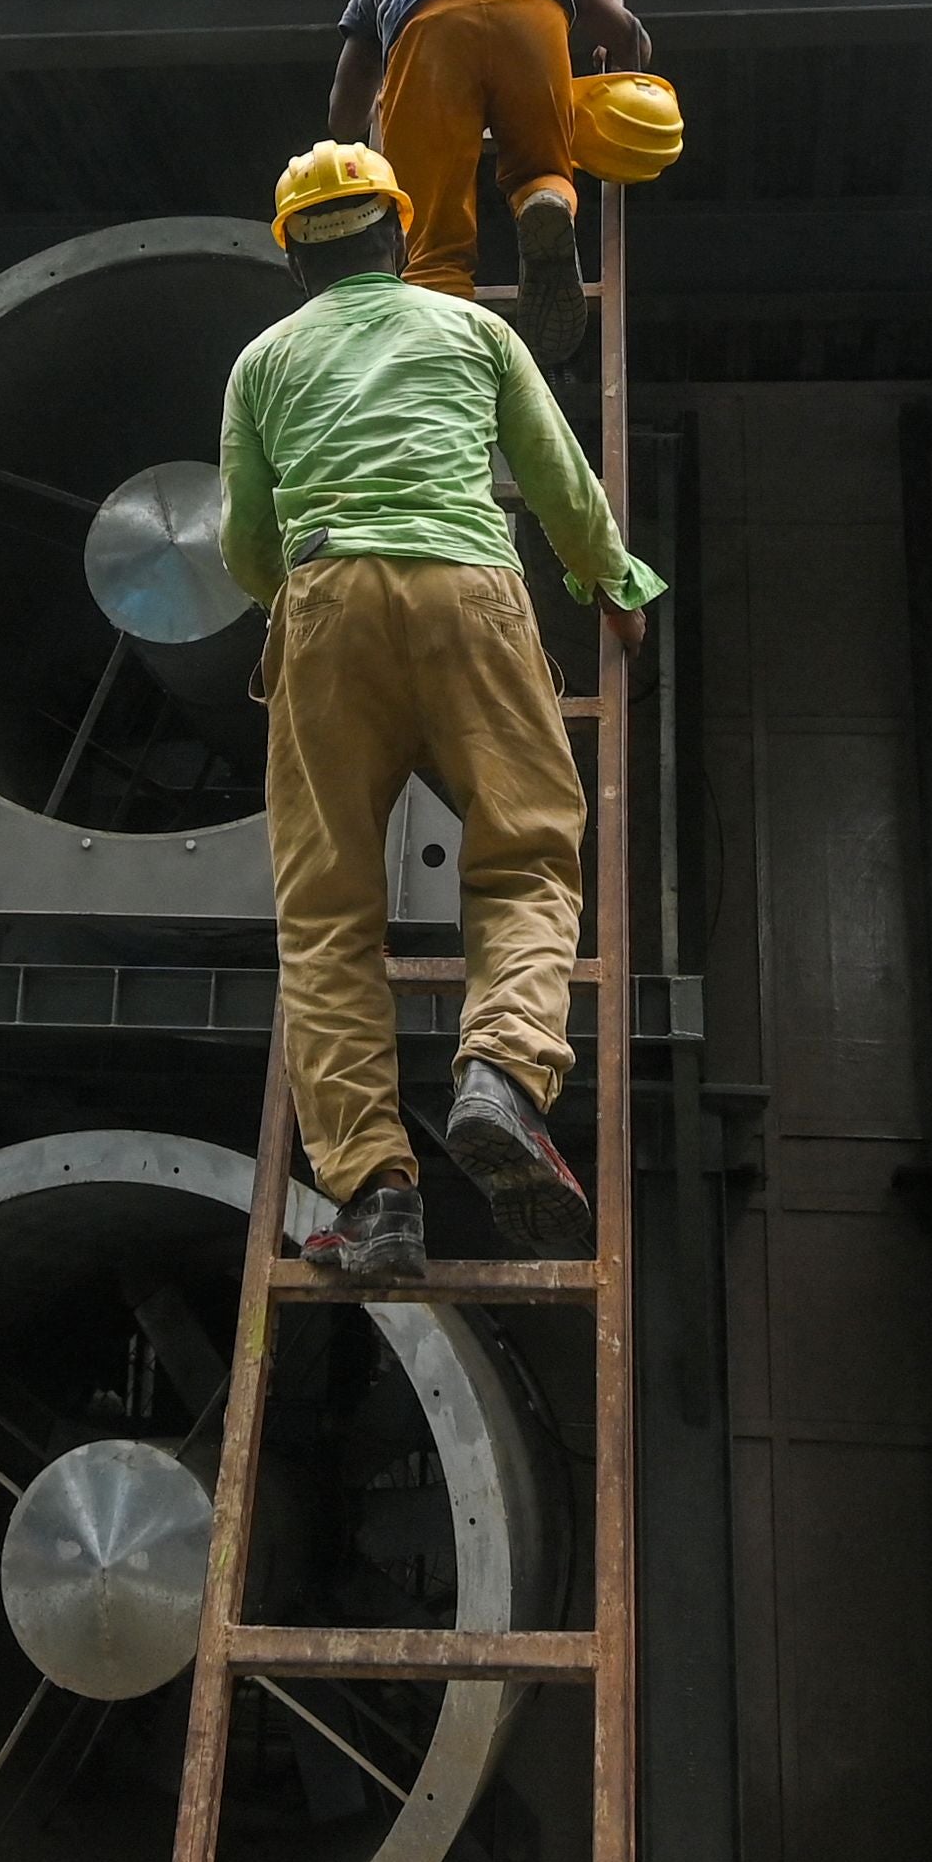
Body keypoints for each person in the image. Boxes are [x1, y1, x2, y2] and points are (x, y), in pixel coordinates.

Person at [219, 140, 662, 1286]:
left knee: (327, 917)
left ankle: (376, 1199)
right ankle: (505, 1075)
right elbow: (561, 480)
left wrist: (314, 607)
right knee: (524, 858)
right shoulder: (473, 332)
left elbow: (244, 547)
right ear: (402, 234)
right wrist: (615, 586)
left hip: (322, 602)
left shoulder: (262, 362)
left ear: (293, 260)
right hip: (470, 589)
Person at [328, 0, 652, 332]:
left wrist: (368, 117)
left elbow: (344, 110)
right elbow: (626, 31)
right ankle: (546, 199)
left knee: (432, 228)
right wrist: (627, 56)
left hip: (429, 25)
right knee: (541, 168)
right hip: (531, 11)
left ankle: (438, 324)